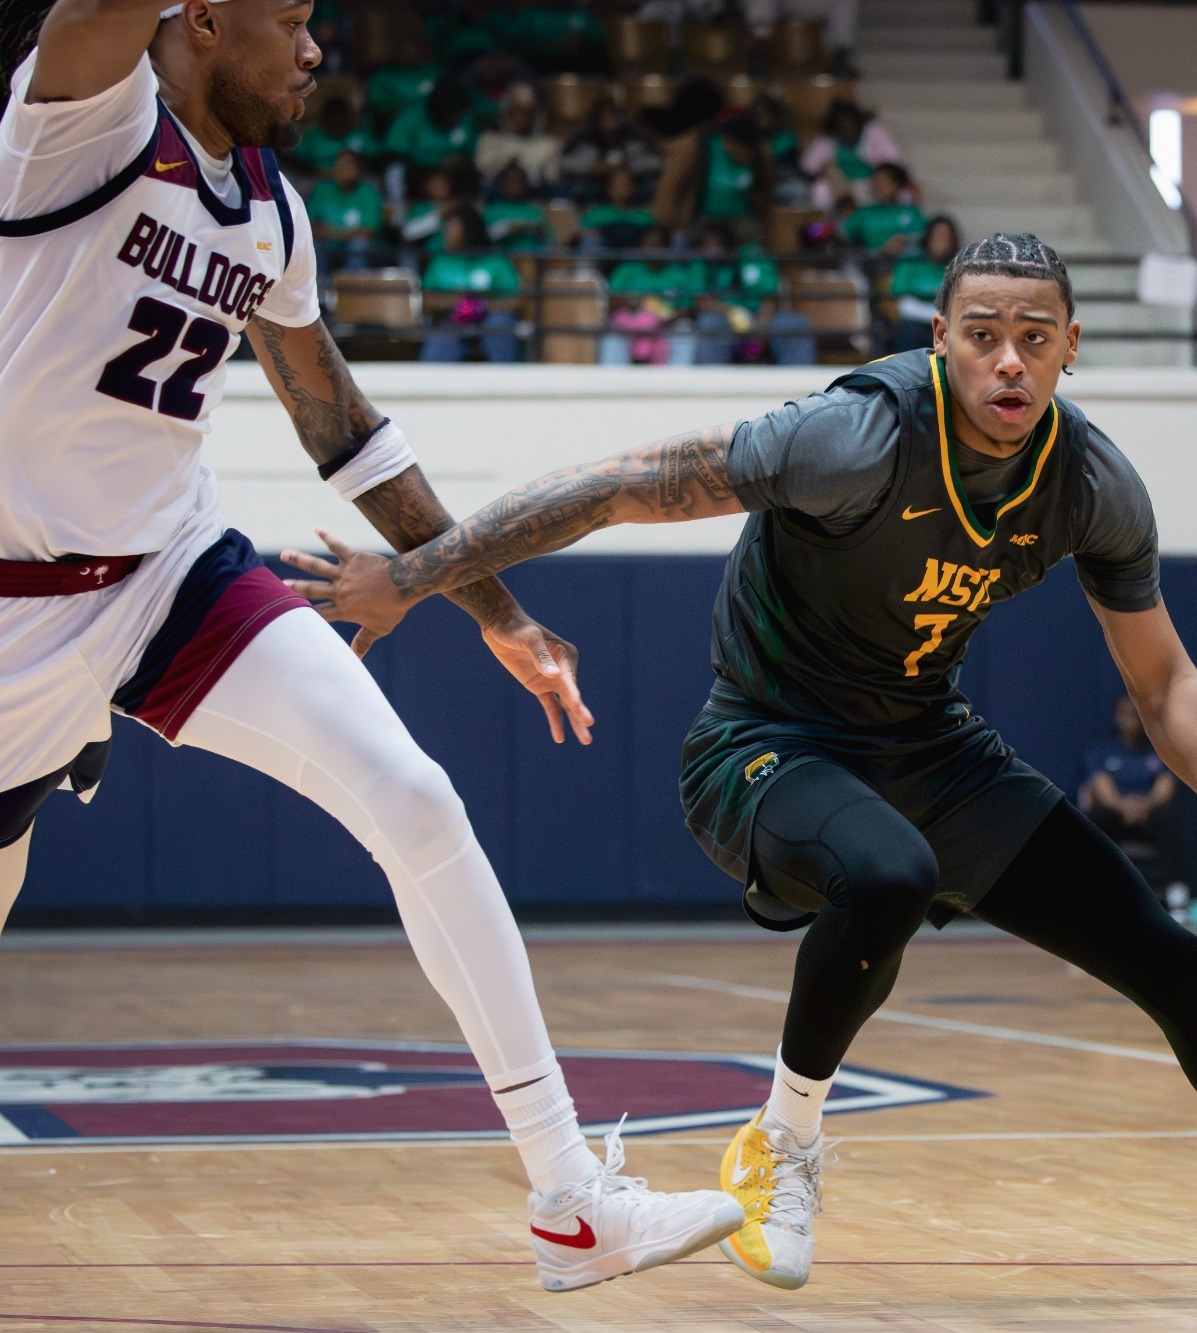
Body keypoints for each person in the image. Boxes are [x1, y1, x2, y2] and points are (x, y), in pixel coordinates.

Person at [287, 232, 1197, 1301]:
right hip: (763, 742)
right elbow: (620, 484)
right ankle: (782, 1142)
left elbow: (1162, 681)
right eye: (982, 334)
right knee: (888, 873)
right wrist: (419, 575)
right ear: (939, 338)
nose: (1008, 360)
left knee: (1168, 959)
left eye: (1034, 338)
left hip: (929, 747)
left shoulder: (1090, 483)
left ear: (1069, 349)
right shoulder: (856, 435)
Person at [0, 0, 738, 1291]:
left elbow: (342, 428)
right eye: (290, 20)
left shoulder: (270, 212)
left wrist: (500, 612)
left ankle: (571, 1197)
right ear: (203, 18)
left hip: (170, 574)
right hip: (15, 607)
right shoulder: (78, 125)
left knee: (415, 796)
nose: (314, 50)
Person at [1079, 694, 1183, 903]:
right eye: (1125, 714)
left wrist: (1142, 806)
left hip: (1149, 815)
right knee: (1095, 816)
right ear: (1116, 717)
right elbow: (1103, 792)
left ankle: (1174, 892)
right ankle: (1090, 888)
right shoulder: (1101, 753)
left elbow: (1165, 790)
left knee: (1169, 817)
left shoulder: (1160, 753)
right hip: (1116, 815)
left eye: (1136, 715)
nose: (1131, 720)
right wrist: (1125, 807)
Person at [420, 206, 521, 363]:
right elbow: (426, 300)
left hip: (491, 318)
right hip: (452, 319)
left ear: (469, 231)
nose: (445, 232)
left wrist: (482, 306)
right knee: (441, 336)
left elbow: (517, 300)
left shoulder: (496, 259)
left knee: (500, 324)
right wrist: (457, 303)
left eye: (451, 227)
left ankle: (506, 377)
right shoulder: (440, 260)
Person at [800, 97, 899, 212]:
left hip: (869, 183)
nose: (847, 130)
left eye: (850, 125)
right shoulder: (827, 138)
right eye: (842, 127)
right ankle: (841, 214)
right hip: (840, 187)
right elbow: (808, 167)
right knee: (821, 188)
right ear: (835, 127)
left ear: (858, 122)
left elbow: (893, 162)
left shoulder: (873, 131)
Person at [560, 97, 661, 202]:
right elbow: (564, 163)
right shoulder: (583, 139)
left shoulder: (634, 137)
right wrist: (594, 168)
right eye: (605, 117)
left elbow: (656, 162)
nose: (610, 120)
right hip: (591, 188)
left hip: (632, 188)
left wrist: (627, 166)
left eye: (614, 116)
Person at [887, 213, 958, 352]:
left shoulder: (960, 267)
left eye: (945, 237)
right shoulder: (909, 263)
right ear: (927, 238)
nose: (940, 242)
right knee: (906, 330)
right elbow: (899, 299)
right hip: (913, 323)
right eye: (936, 236)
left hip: (948, 326)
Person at [305, 146, 381, 268]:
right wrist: (341, 235)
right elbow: (311, 226)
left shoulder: (368, 192)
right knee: (313, 245)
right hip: (326, 245)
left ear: (359, 169)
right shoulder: (322, 189)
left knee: (359, 245)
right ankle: (317, 280)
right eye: (339, 164)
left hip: (352, 249)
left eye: (348, 165)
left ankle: (353, 280)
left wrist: (334, 234)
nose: (342, 168)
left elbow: (368, 231)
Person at [476, 82, 562, 189]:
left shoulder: (548, 145)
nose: (522, 118)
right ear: (507, 112)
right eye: (518, 111)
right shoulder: (489, 140)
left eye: (529, 112)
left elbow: (552, 178)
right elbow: (484, 170)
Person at [839, 161, 924, 253]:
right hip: (872, 260)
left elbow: (924, 236)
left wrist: (905, 240)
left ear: (897, 184)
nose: (877, 186)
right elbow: (843, 233)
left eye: (882, 182)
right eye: (874, 181)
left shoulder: (912, 212)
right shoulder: (864, 213)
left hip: (907, 260)